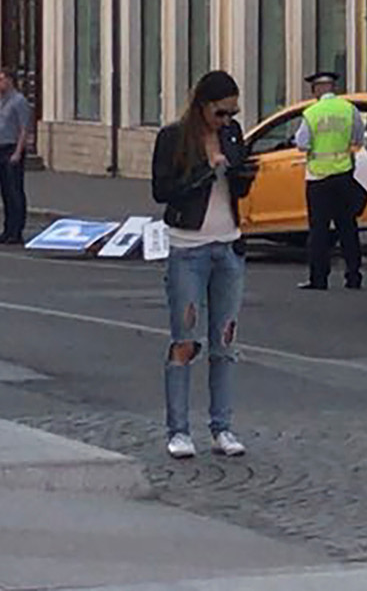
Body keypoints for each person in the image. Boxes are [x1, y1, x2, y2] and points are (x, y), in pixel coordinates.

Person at [151, 71, 257, 459]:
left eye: (233, 113)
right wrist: (205, 172)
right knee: (185, 340)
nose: (227, 121)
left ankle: (222, 427)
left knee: (225, 342)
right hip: (188, 248)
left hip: (227, 245)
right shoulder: (173, 138)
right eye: (221, 113)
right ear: (202, 107)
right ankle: (178, 430)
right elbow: (162, 190)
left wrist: (243, 174)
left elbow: (238, 186)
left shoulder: (232, 135)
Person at [295, 71, 367, 292]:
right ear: (333, 88)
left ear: (317, 90)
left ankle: (319, 278)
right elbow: (358, 137)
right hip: (344, 174)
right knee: (348, 227)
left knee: (319, 231)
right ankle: (353, 276)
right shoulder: (348, 109)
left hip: (318, 178)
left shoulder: (312, 113)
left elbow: (302, 143)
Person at [0, 68, 32, 245]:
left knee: (15, 190)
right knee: (5, 191)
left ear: (10, 81)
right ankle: (7, 229)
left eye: (1, 80)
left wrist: (18, 151)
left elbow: (24, 129)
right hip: (1, 148)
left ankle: (17, 230)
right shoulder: (1, 101)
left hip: (12, 149)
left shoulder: (19, 101)